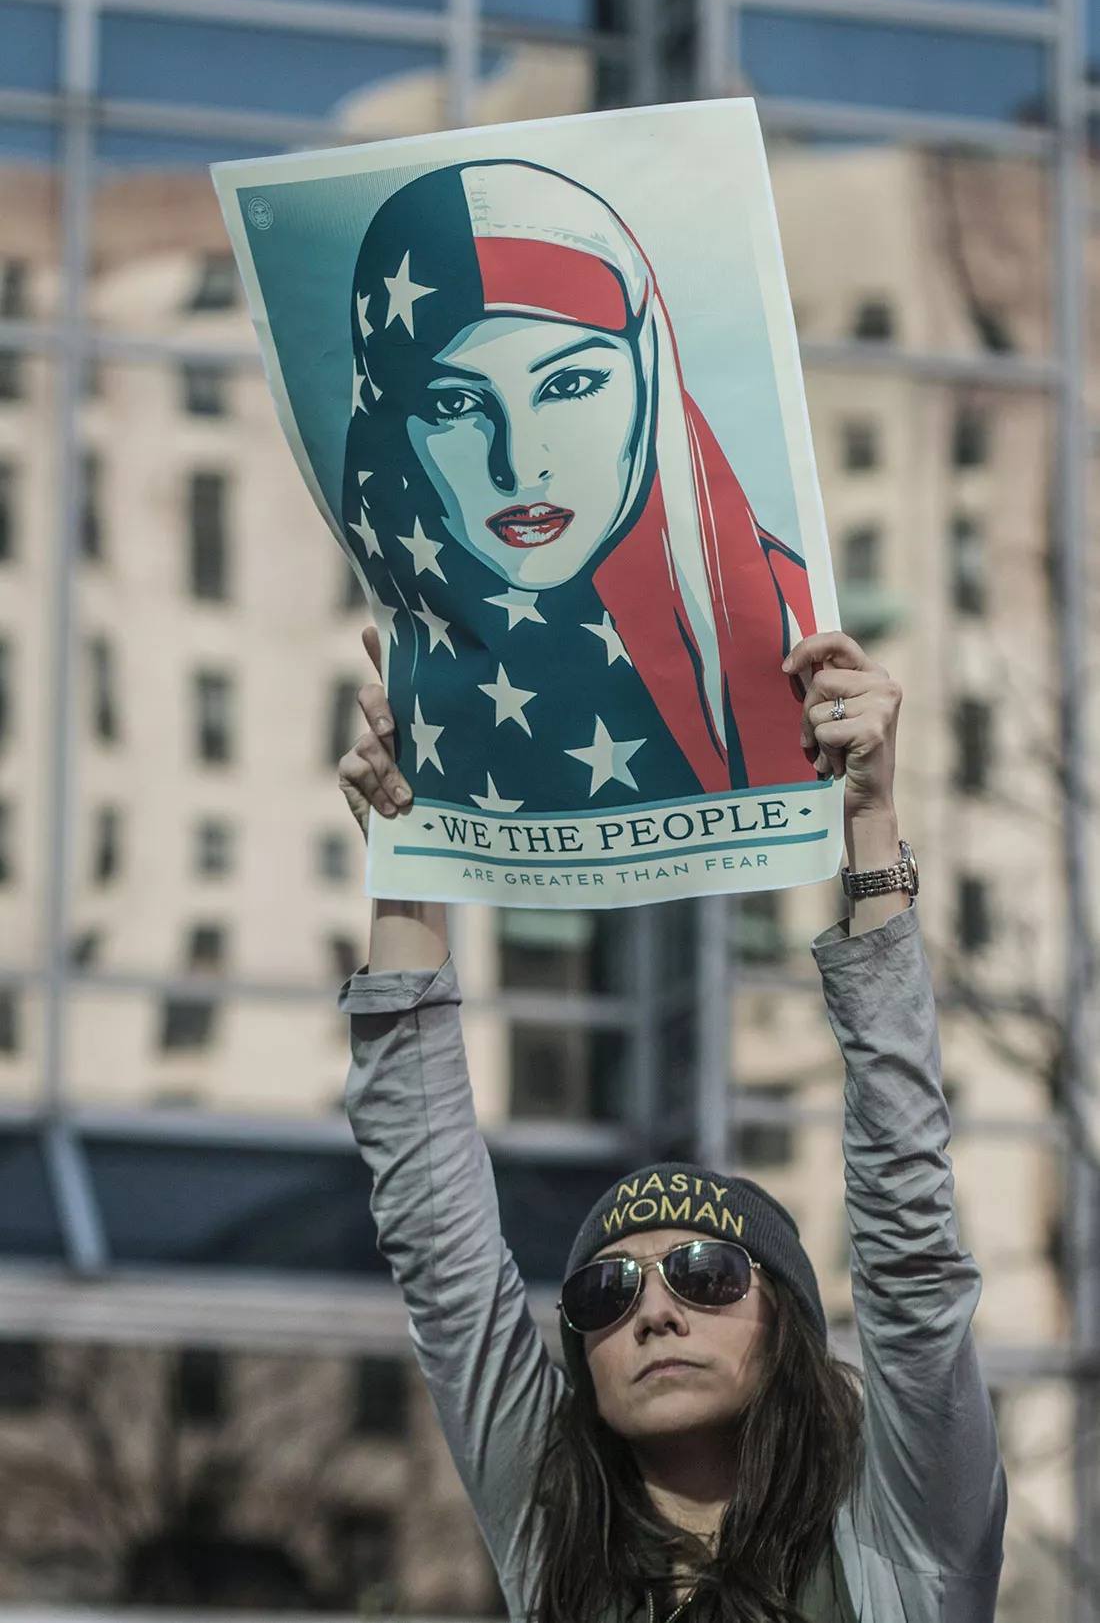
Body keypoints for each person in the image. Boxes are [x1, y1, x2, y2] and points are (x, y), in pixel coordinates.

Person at [336, 627, 1007, 1623]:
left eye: (706, 1272)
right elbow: (443, 1263)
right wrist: (410, 850)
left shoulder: (903, 1539)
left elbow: (911, 1256)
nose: (653, 1311)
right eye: (604, 1294)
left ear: (786, 1321)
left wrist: (869, 828)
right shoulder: (552, 1536)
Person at [341, 159, 815, 811]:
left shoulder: (788, 624)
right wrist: (400, 837)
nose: (519, 465)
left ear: (648, 379)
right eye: (455, 405)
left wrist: (871, 816)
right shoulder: (417, 656)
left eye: (568, 385)